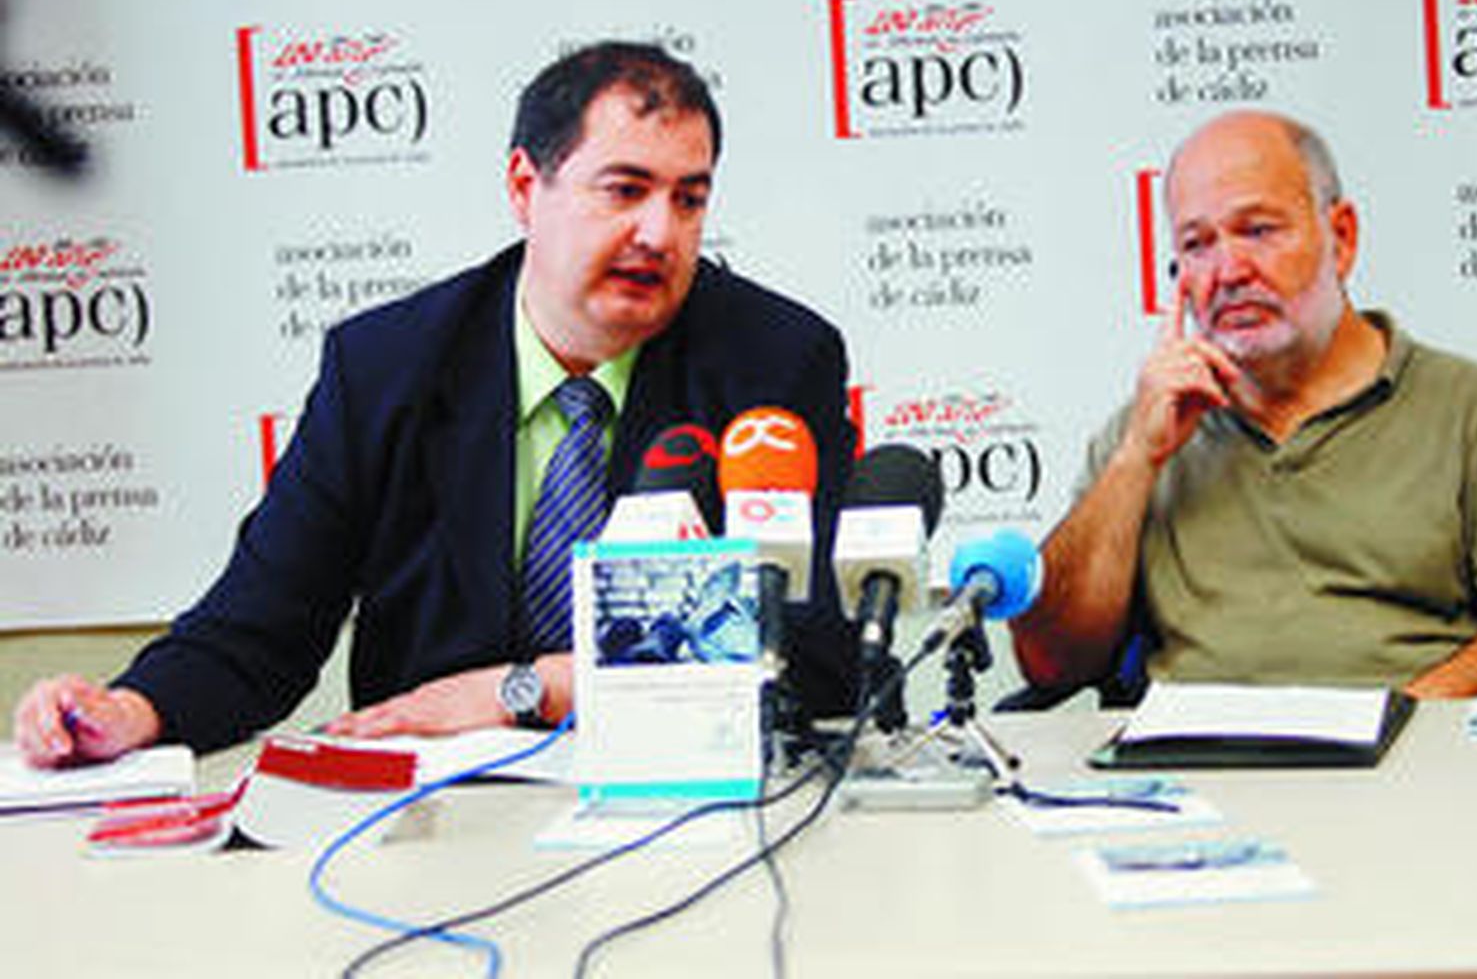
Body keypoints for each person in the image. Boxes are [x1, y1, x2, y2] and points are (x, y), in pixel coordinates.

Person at [14, 42, 857, 764]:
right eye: (625, 189)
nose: (660, 233)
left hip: (682, 797)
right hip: (432, 812)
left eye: (689, 198)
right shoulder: (386, 368)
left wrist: (534, 689)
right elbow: (259, 630)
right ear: (526, 187)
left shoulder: (775, 363)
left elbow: (817, 653)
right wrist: (132, 711)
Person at [1009, 110, 1477, 700]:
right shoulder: (1144, 432)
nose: (1229, 271)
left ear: (1340, 238)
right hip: (1201, 770)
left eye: (1258, 230)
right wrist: (1137, 457)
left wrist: (1399, 721)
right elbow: (1052, 665)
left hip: (1415, 766)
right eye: (1197, 244)